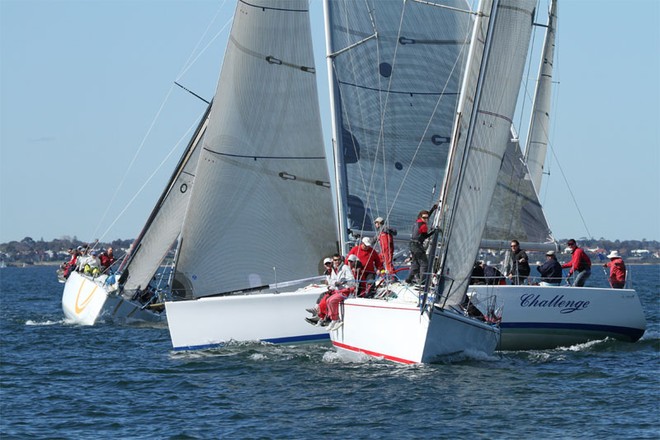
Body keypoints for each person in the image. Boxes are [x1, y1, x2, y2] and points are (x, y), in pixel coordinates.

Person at [325, 254, 359, 331]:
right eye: (335, 260)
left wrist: (344, 282)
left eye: (338, 260)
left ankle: (336, 319)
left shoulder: (345, 268)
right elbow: (332, 281)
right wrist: (335, 283)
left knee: (332, 301)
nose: (336, 262)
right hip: (338, 291)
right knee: (328, 300)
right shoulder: (334, 269)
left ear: (341, 260)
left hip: (345, 291)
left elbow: (352, 280)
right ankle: (333, 320)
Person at [405, 209, 435, 285]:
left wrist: (433, 209)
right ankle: (423, 283)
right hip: (418, 247)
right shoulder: (423, 226)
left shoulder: (417, 222)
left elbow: (426, 215)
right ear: (421, 217)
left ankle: (408, 279)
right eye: (424, 218)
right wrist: (434, 231)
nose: (426, 219)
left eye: (427, 218)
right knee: (424, 264)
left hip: (412, 245)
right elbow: (425, 236)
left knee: (415, 264)